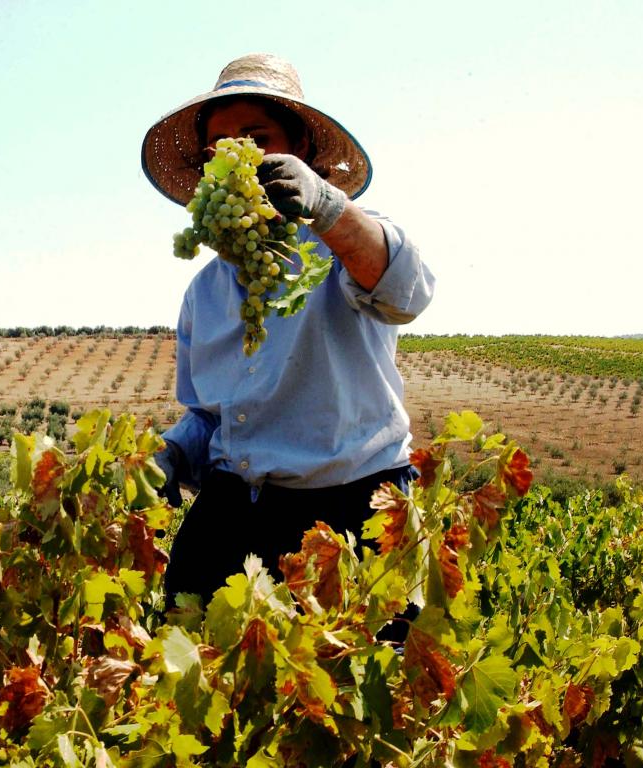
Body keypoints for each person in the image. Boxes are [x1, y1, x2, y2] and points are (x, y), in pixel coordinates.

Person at [141, 53, 435, 608]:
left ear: (299, 149)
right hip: (236, 511)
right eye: (222, 144)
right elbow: (211, 418)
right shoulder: (203, 293)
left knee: (363, 679)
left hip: (356, 511)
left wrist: (328, 207)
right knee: (193, 664)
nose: (240, 155)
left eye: (257, 137)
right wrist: (173, 454)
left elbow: (407, 293)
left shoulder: (345, 243)